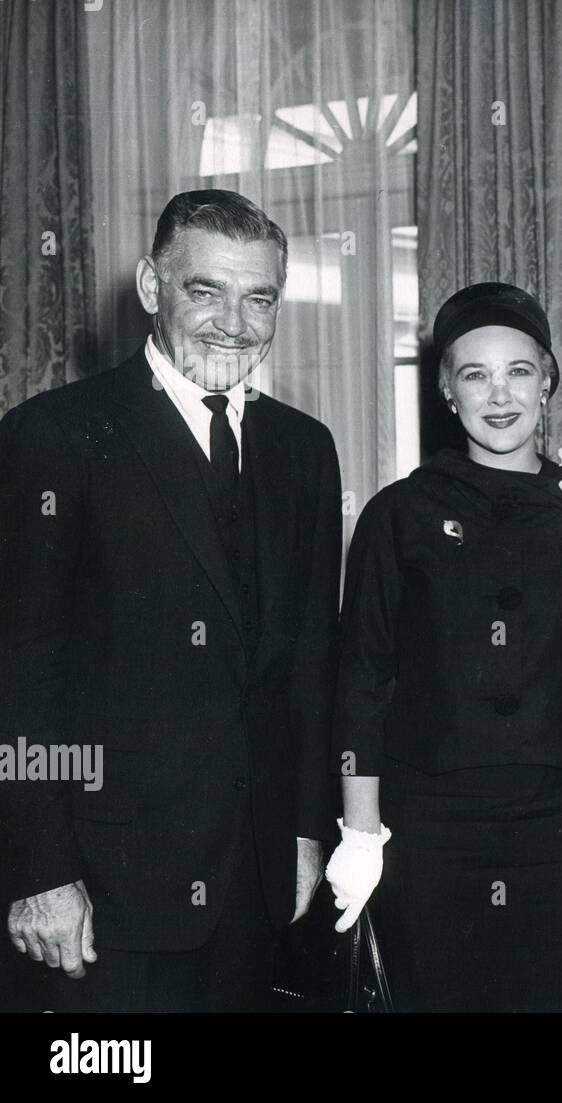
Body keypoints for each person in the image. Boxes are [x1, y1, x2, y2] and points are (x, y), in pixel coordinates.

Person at [0, 190, 341, 1012]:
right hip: (101, 892)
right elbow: (17, 675)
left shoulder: (304, 449)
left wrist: (300, 833)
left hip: (252, 883)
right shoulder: (54, 435)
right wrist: (40, 872)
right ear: (153, 288)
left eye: (259, 297)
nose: (235, 322)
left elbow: (308, 664)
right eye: (205, 290)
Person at [325, 282, 562, 1012]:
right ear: (447, 391)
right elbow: (362, 681)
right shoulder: (398, 515)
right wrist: (359, 832)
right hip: (429, 832)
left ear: (548, 380)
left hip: (559, 829)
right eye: (474, 374)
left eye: (518, 369)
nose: (499, 393)